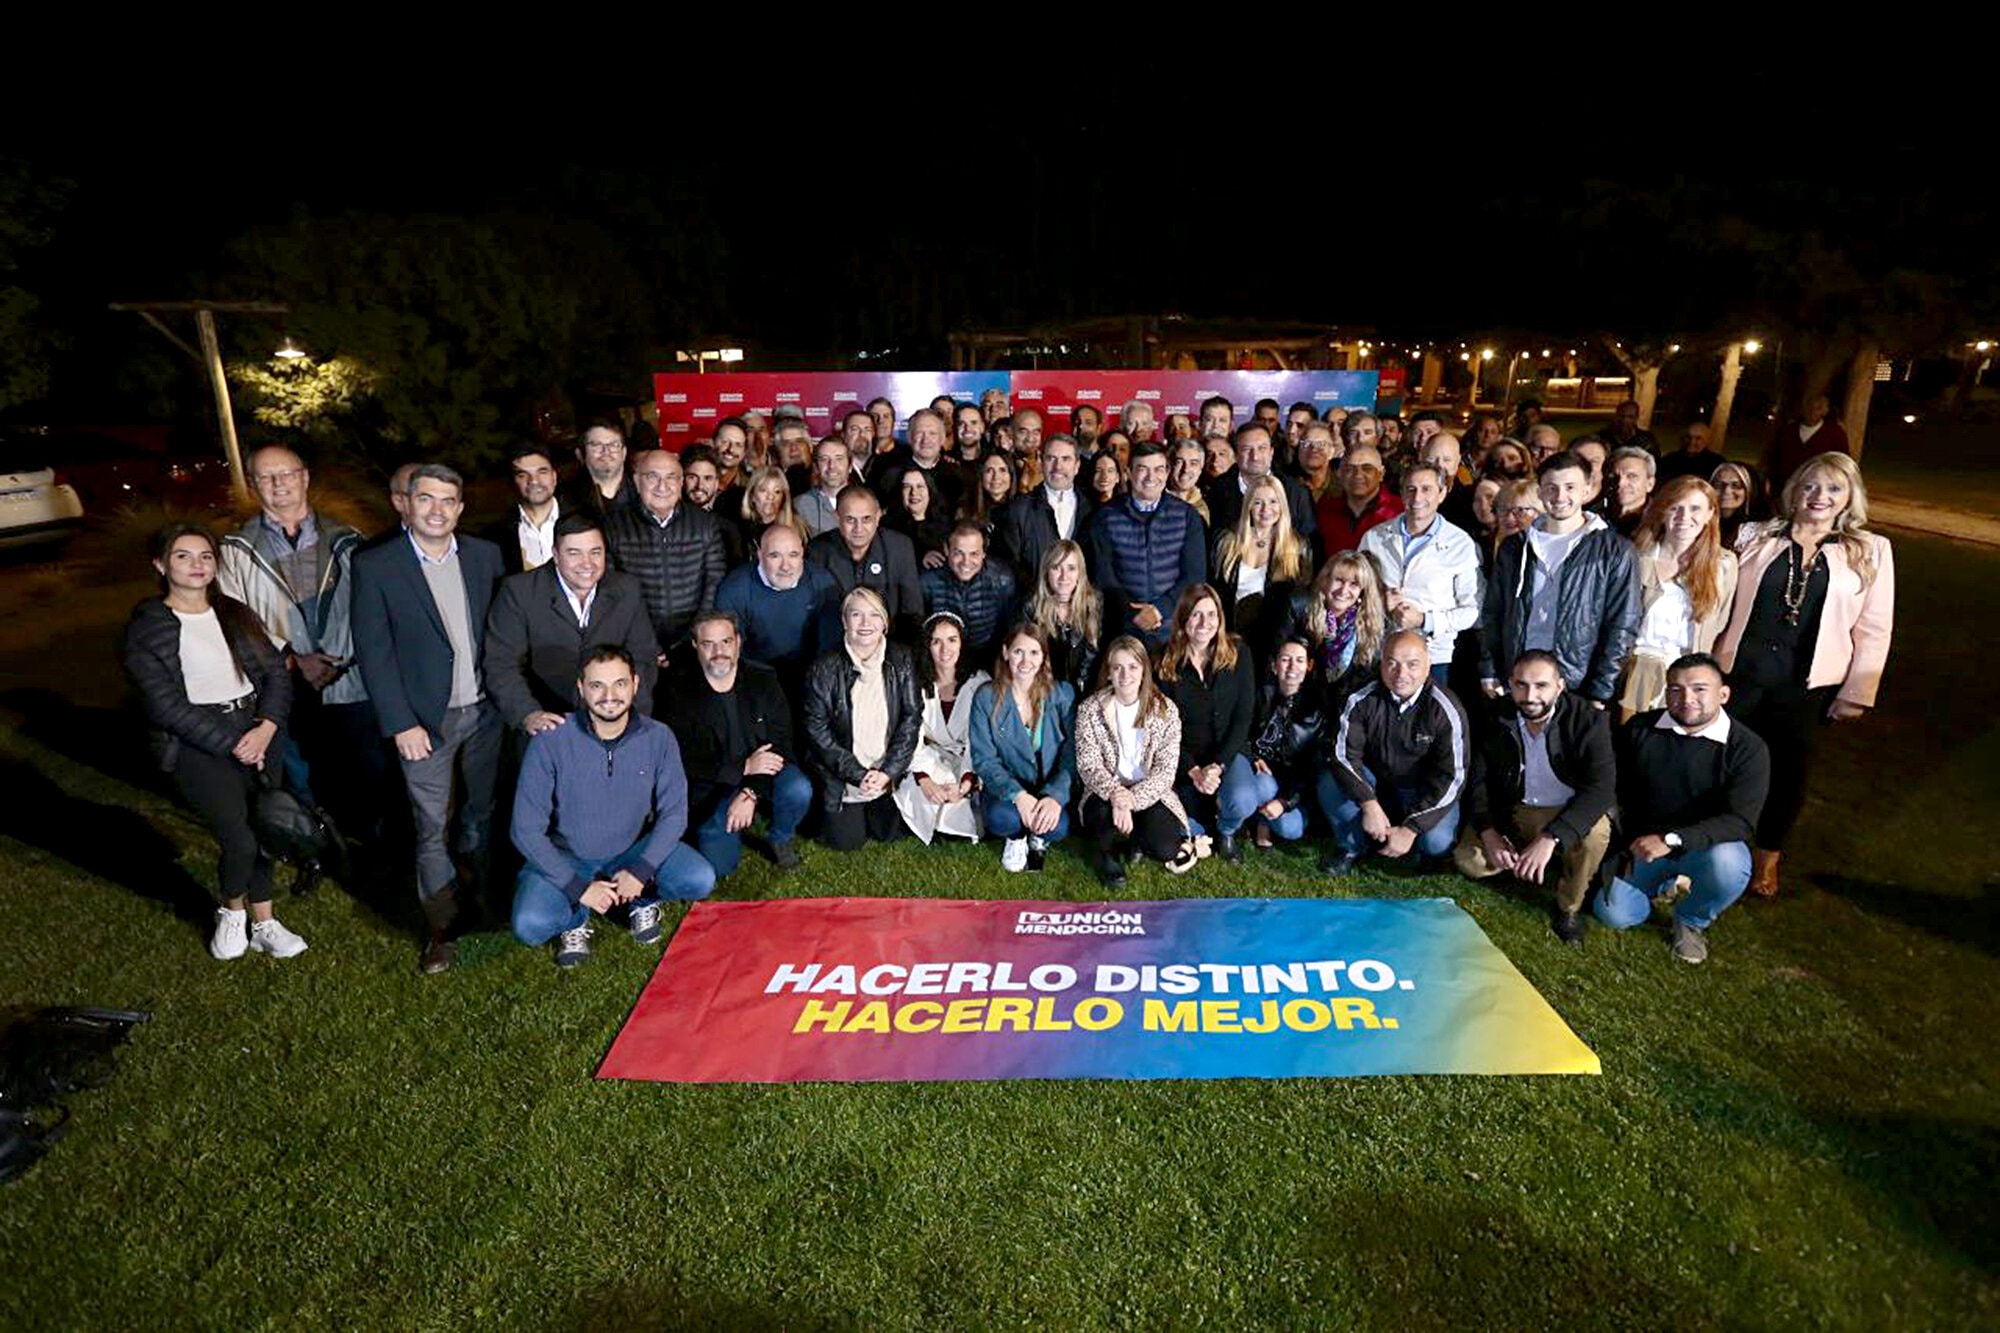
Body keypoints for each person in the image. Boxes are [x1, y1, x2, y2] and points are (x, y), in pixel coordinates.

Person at [1713, 453, 1894, 897]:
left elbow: (1875, 626)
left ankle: (1767, 858)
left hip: (1807, 684)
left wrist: (1857, 691)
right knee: (1722, 761)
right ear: (1794, 490)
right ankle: (1712, 845)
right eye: (1810, 486)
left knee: (1788, 772)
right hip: (1740, 672)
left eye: (1833, 488)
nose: (1820, 496)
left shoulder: (1870, 550)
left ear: (1850, 496)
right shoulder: (1755, 535)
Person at [123, 523, 306, 960]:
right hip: (198, 742)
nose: (197, 565)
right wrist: (233, 745)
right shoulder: (148, 627)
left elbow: (275, 674)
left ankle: (265, 923)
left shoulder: (233, 612)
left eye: (205, 556)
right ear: (160, 565)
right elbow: (163, 705)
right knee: (239, 839)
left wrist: (266, 727)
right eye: (183, 556)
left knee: (264, 827)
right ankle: (232, 913)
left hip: (257, 728)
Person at [351, 464, 505, 974]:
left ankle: (481, 902)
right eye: (426, 499)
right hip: (423, 724)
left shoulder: (485, 555)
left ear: (460, 508)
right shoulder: (376, 565)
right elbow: (374, 652)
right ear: (406, 503)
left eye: (447, 501)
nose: (437, 510)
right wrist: (400, 723)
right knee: (431, 825)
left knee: (480, 814)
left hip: (485, 713)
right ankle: (443, 929)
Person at [216, 444, 375, 886]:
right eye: (266, 477)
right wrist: (291, 660)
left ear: (305, 477)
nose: (279, 483)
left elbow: (370, 610)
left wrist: (341, 659)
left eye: (286, 473)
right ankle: (313, 849)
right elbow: (236, 620)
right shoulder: (236, 551)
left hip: (350, 679)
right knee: (297, 775)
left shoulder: (349, 540)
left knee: (365, 769)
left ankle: (372, 849)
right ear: (253, 485)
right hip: (283, 686)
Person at [508, 646, 715, 967]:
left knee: (699, 878)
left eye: (619, 684)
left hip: (632, 849)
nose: (609, 696)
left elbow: (674, 814)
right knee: (530, 925)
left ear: (635, 684)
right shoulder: (550, 739)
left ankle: (639, 899)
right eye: (597, 685)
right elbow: (524, 829)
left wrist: (641, 870)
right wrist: (578, 888)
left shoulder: (659, 737)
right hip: (570, 856)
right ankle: (575, 918)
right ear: (581, 688)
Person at [1596, 653, 1770, 964]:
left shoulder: (1747, 748)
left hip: (1703, 849)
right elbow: (1612, 789)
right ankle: (1658, 886)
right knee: (1613, 913)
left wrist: (1672, 839)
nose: (1687, 699)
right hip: (1642, 847)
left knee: (1730, 862)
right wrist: (1620, 850)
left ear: (1723, 694)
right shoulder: (1641, 728)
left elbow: (1740, 821)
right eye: (1676, 690)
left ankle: (1691, 921)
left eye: (1699, 689)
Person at [1456, 651, 1616, 944]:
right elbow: (1477, 781)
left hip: (1563, 810)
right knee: (1469, 861)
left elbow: (1601, 789)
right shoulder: (1493, 715)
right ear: (1510, 684)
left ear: (1560, 686)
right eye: (1521, 685)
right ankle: (1520, 864)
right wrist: (1488, 832)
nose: (1530, 696)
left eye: (1541, 686)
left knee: (1595, 834)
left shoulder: (1589, 720)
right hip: (1514, 809)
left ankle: (1569, 906)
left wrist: (1551, 837)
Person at [1481, 451, 1641, 708]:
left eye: (1570, 487)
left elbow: (1622, 625)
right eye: (1551, 488)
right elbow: (1494, 612)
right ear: (1540, 491)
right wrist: (1490, 669)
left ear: (1587, 490)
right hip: (1520, 675)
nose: (1560, 496)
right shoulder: (1515, 547)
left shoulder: (1615, 550)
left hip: (1577, 681)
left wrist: (1601, 690)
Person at [664, 611, 813, 879]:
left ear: (738, 642)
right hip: (713, 784)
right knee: (720, 867)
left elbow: (780, 741)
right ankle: (726, 824)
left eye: (726, 642)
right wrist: (743, 768)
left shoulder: (763, 679)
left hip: (762, 772)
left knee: (798, 789)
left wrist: (750, 792)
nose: (719, 652)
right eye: (708, 644)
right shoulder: (677, 690)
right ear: (695, 645)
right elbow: (685, 759)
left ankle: (780, 837)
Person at [483, 513, 661, 737]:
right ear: (556, 555)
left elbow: (643, 658)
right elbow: (501, 664)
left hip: (616, 720)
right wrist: (528, 714)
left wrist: (632, 717)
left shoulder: (627, 589)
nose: (587, 563)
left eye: (595, 552)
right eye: (574, 553)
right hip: (548, 723)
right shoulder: (519, 592)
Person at [1318, 630, 1469, 875]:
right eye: (1392, 663)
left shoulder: (1446, 709)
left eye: (1412, 664)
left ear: (1428, 666)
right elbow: (1343, 755)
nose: (1401, 673)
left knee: (1436, 842)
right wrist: (1368, 803)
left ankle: (1420, 849)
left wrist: (1412, 828)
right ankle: (1351, 846)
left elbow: (1452, 777)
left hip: (1422, 791)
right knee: (1329, 783)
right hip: (1377, 786)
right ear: (1381, 663)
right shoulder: (1360, 697)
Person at [1073, 635, 1202, 885]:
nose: (1125, 675)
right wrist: (1116, 794)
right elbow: (1088, 764)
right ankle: (1107, 855)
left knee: (1166, 847)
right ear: (1108, 672)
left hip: (1148, 791)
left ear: (1144, 670)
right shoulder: (1090, 709)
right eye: (1117, 667)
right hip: (1105, 791)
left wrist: (1131, 800)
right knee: (1102, 825)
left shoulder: (1165, 710)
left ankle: (1138, 840)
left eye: (1133, 667)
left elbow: (1166, 771)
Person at [802, 587, 922, 850]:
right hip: (845, 773)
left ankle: (883, 794)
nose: (866, 623)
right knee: (847, 842)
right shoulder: (823, 668)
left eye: (874, 614)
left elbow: (911, 717)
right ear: (845, 621)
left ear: (885, 622)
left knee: (888, 833)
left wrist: (888, 771)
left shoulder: (901, 659)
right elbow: (817, 731)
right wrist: (858, 775)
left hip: (886, 769)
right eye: (856, 615)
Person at [1618, 478, 1737, 720]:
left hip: (1686, 675)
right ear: (1662, 511)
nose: (1684, 517)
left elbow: (1719, 624)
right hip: (1634, 669)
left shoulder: (1723, 565)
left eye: (1695, 509)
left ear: (1710, 514)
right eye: (1675, 507)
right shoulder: (1634, 557)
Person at [1155, 584, 1257, 857]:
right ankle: (1202, 822)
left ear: (1220, 618)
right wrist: (1193, 770)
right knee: (1177, 821)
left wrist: (1217, 766)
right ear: (1183, 619)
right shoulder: (1164, 661)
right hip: (1184, 760)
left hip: (1227, 755)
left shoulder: (1239, 653)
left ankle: (1226, 831)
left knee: (1243, 799)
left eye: (1211, 614)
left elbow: (1243, 717)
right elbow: (1163, 729)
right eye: (1196, 614)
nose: (1204, 623)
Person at [1359, 462, 1482, 686]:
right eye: (1411, 489)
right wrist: (1379, 603)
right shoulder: (1374, 538)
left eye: (1426, 489)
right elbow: (1356, 592)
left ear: (1442, 493)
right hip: (1381, 653)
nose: (1417, 498)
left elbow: (1471, 611)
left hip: (1433, 656)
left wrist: (1424, 620)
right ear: (1401, 492)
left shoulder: (1460, 544)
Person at [969, 623, 1078, 871]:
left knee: (1059, 827)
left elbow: (1071, 755)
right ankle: (1016, 838)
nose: (1025, 661)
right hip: (1006, 789)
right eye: (1018, 651)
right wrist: (1018, 796)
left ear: (1043, 657)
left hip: (1046, 785)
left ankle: (1038, 837)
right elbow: (984, 759)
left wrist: (1054, 797)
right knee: (1002, 819)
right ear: (1006, 652)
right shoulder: (986, 697)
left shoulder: (1062, 694)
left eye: (1034, 652)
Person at [1084, 442, 1208, 649]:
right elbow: (1102, 575)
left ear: (1167, 472)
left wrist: (1159, 610)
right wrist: (1134, 615)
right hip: (1123, 630)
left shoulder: (1188, 516)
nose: (1151, 477)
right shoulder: (1105, 516)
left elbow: (1194, 576)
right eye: (1142, 469)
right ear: (1129, 473)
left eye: (1158, 469)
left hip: (1174, 631)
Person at [606, 449, 727, 656]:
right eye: (652, 477)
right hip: (635, 640)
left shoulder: (704, 524)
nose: (662, 486)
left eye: (671, 477)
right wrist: (644, 641)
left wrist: (692, 636)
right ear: (636, 481)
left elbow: (714, 581)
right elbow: (611, 588)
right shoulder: (614, 525)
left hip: (692, 641)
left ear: (681, 483)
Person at [1216, 636, 1326, 852]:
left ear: (1309, 666)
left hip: (1290, 785)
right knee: (1262, 787)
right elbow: (1240, 733)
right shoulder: (1259, 695)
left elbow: (1312, 769)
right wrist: (1253, 757)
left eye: (1300, 660)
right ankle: (1236, 822)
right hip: (1258, 775)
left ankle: (1258, 819)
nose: (1292, 667)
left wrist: (1286, 802)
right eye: (1285, 659)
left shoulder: (1316, 709)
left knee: (1291, 828)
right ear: (1274, 666)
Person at [891, 613, 987, 846]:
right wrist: (924, 779)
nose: (945, 649)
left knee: (959, 794)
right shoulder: (916, 683)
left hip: (969, 760)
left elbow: (981, 740)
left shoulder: (980, 683)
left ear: (962, 643)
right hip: (930, 757)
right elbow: (912, 737)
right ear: (927, 647)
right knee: (922, 790)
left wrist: (966, 783)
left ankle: (953, 821)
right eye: (936, 641)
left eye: (952, 640)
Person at [712, 522, 842, 676]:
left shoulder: (822, 582)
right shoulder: (734, 590)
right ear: (760, 555)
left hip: (812, 674)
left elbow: (830, 644)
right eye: (775, 556)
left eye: (793, 555)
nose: (785, 566)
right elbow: (730, 651)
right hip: (754, 676)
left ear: (802, 553)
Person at [1210, 474, 1307, 671]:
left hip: (1271, 646)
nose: (1265, 509)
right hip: (1228, 640)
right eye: (1258, 502)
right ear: (1248, 506)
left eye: (1273, 502)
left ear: (1282, 506)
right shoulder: (1227, 543)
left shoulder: (1296, 548)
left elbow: (1299, 606)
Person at [807, 484, 926, 642]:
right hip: (835, 644)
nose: (859, 528)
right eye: (850, 519)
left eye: (866, 519)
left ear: (878, 517)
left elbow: (912, 612)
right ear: (837, 517)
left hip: (888, 644)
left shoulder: (899, 547)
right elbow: (815, 615)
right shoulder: (818, 551)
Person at [1279, 549, 1388, 703]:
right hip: (1302, 698)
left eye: (1354, 584)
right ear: (1325, 580)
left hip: (1349, 704)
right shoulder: (1299, 608)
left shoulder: (1375, 623)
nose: (1344, 590)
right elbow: (1279, 659)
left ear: (1362, 591)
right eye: (1339, 580)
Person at [993, 433, 1093, 586]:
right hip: (1032, 598)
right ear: (1041, 461)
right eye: (1051, 458)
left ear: (1077, 465)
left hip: (1082, 598)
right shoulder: (1019, 510)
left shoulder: (1093, 510)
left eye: (1066, 459)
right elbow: (1008, 567)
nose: (1058, 467)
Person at [1204, 424, 1318, 552]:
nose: (1255, 456)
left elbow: (1309, 544)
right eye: (1247, 449)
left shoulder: (1296, 492)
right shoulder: (1217, 490)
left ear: (1271, 452)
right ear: (1236, 455)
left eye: (1262, 448)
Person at [921, 522, 1019, 668]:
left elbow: (1009, 629)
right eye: (958, 553)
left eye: (974, 554)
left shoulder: (1002, 579)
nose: (966, 562)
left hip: (989, 659)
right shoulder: (928, 580)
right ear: (946, 550)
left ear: (984, 553)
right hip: (942, 660)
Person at [1023, 539, 1103, 698]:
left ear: (1080, 572)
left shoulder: (1095, 604)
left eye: (1071, 568)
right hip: (1043, 694)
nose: (1063, 576)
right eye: (1056, 568)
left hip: (1088, 693)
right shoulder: (1031, 607)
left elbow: (1100, 660)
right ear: (1046, 572)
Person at [483, 445, 562, 575]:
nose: (534, 481)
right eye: (522, 475)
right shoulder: (495, 537)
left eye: (542, 472)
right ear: (512, 482)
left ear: (554, 477)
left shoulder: (587, 519)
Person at [1317, 444, 1403, 553]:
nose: (1358, 475)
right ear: (1340, 473)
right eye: (1350, 469)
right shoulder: (1326, 509)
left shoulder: (1399, 511)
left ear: (1381, 474)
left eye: (1367, 468)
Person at [1764, 394, 1850, 487]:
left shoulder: (1835, 434)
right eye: (1809, 406)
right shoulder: (1787, 431)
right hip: (1785, 486)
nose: (1812, 411)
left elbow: (1841, 462)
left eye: (1818, 408)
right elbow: (1773, 459)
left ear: (1825, 411)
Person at [561, 418, 637, 522]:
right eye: (596, 445)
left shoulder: (643, 491)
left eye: (614, 445)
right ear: (580, 454)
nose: (606, 451)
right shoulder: (566, 499)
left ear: (624, 453)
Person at [887, 465, 954, 569]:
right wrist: (920, 558)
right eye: (907, 487)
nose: (914, 492)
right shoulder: (888, 529)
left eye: (920, 486)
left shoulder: (947, 526)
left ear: (929, 491)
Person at [738, 464, 810, 552]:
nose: (770, 497)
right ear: (752, 495)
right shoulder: (740, 530)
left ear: (783, 497)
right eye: (763, 490)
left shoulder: (797, 528)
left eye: (777, 492)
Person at [796, 437, 851, 539]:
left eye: (839, 459)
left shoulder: (867, 502)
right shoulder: (801, 505)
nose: (832, 466)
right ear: (816, 467)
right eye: (824, 459)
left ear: (850, 466)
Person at [1601, 446, 1656, 538]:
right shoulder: (1593, 519)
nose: (1620, 483)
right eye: (1613, 476)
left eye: (1631, 476)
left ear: (1650, 484)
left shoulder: (1661, 522)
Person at [963, 452, 1020, 535]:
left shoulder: (1024, 509)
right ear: (981, 476)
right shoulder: (966, 510)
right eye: (989, 471)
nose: (996, 477)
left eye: (1002, 470)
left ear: (1011, 475)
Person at [1710, 461, 1764, 549]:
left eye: (1736, 485)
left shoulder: (1760, 531)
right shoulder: (1700, 521)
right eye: (1718, 484)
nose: (1727, 491)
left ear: (1751, 490)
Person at [1657, 421, 1723, 486]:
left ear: (1707, 440)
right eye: (1688, 437)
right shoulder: (1668, 460)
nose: (1692, 442)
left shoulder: (1716, 463)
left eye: (1698, 438)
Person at [1291, 421, 1340, 503]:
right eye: (1307, 443)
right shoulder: (1284, 485)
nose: (1314, 448)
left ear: (1331, 452)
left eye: (1321, 444)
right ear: (1298, 450)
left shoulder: (1344, 486)